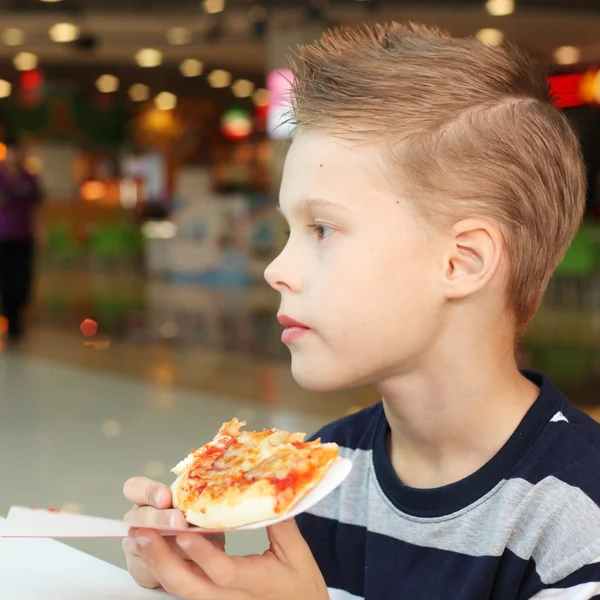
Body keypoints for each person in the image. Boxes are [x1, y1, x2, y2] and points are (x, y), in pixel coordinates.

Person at [121, 23, 600, 599]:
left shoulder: (576, 514)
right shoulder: (329, 470)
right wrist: (194, 569)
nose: (276, 268)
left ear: (461, 262)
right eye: (287, 228)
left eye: (322, 228)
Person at [0, 137, 43, 343]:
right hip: (3, 236)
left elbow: (38, 205)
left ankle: (18, 313)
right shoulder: (1, 175)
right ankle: (11, 319)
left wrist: (42, 230)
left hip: (24, 235)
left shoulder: (29, 177)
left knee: (23, 280)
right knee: (6, 280)